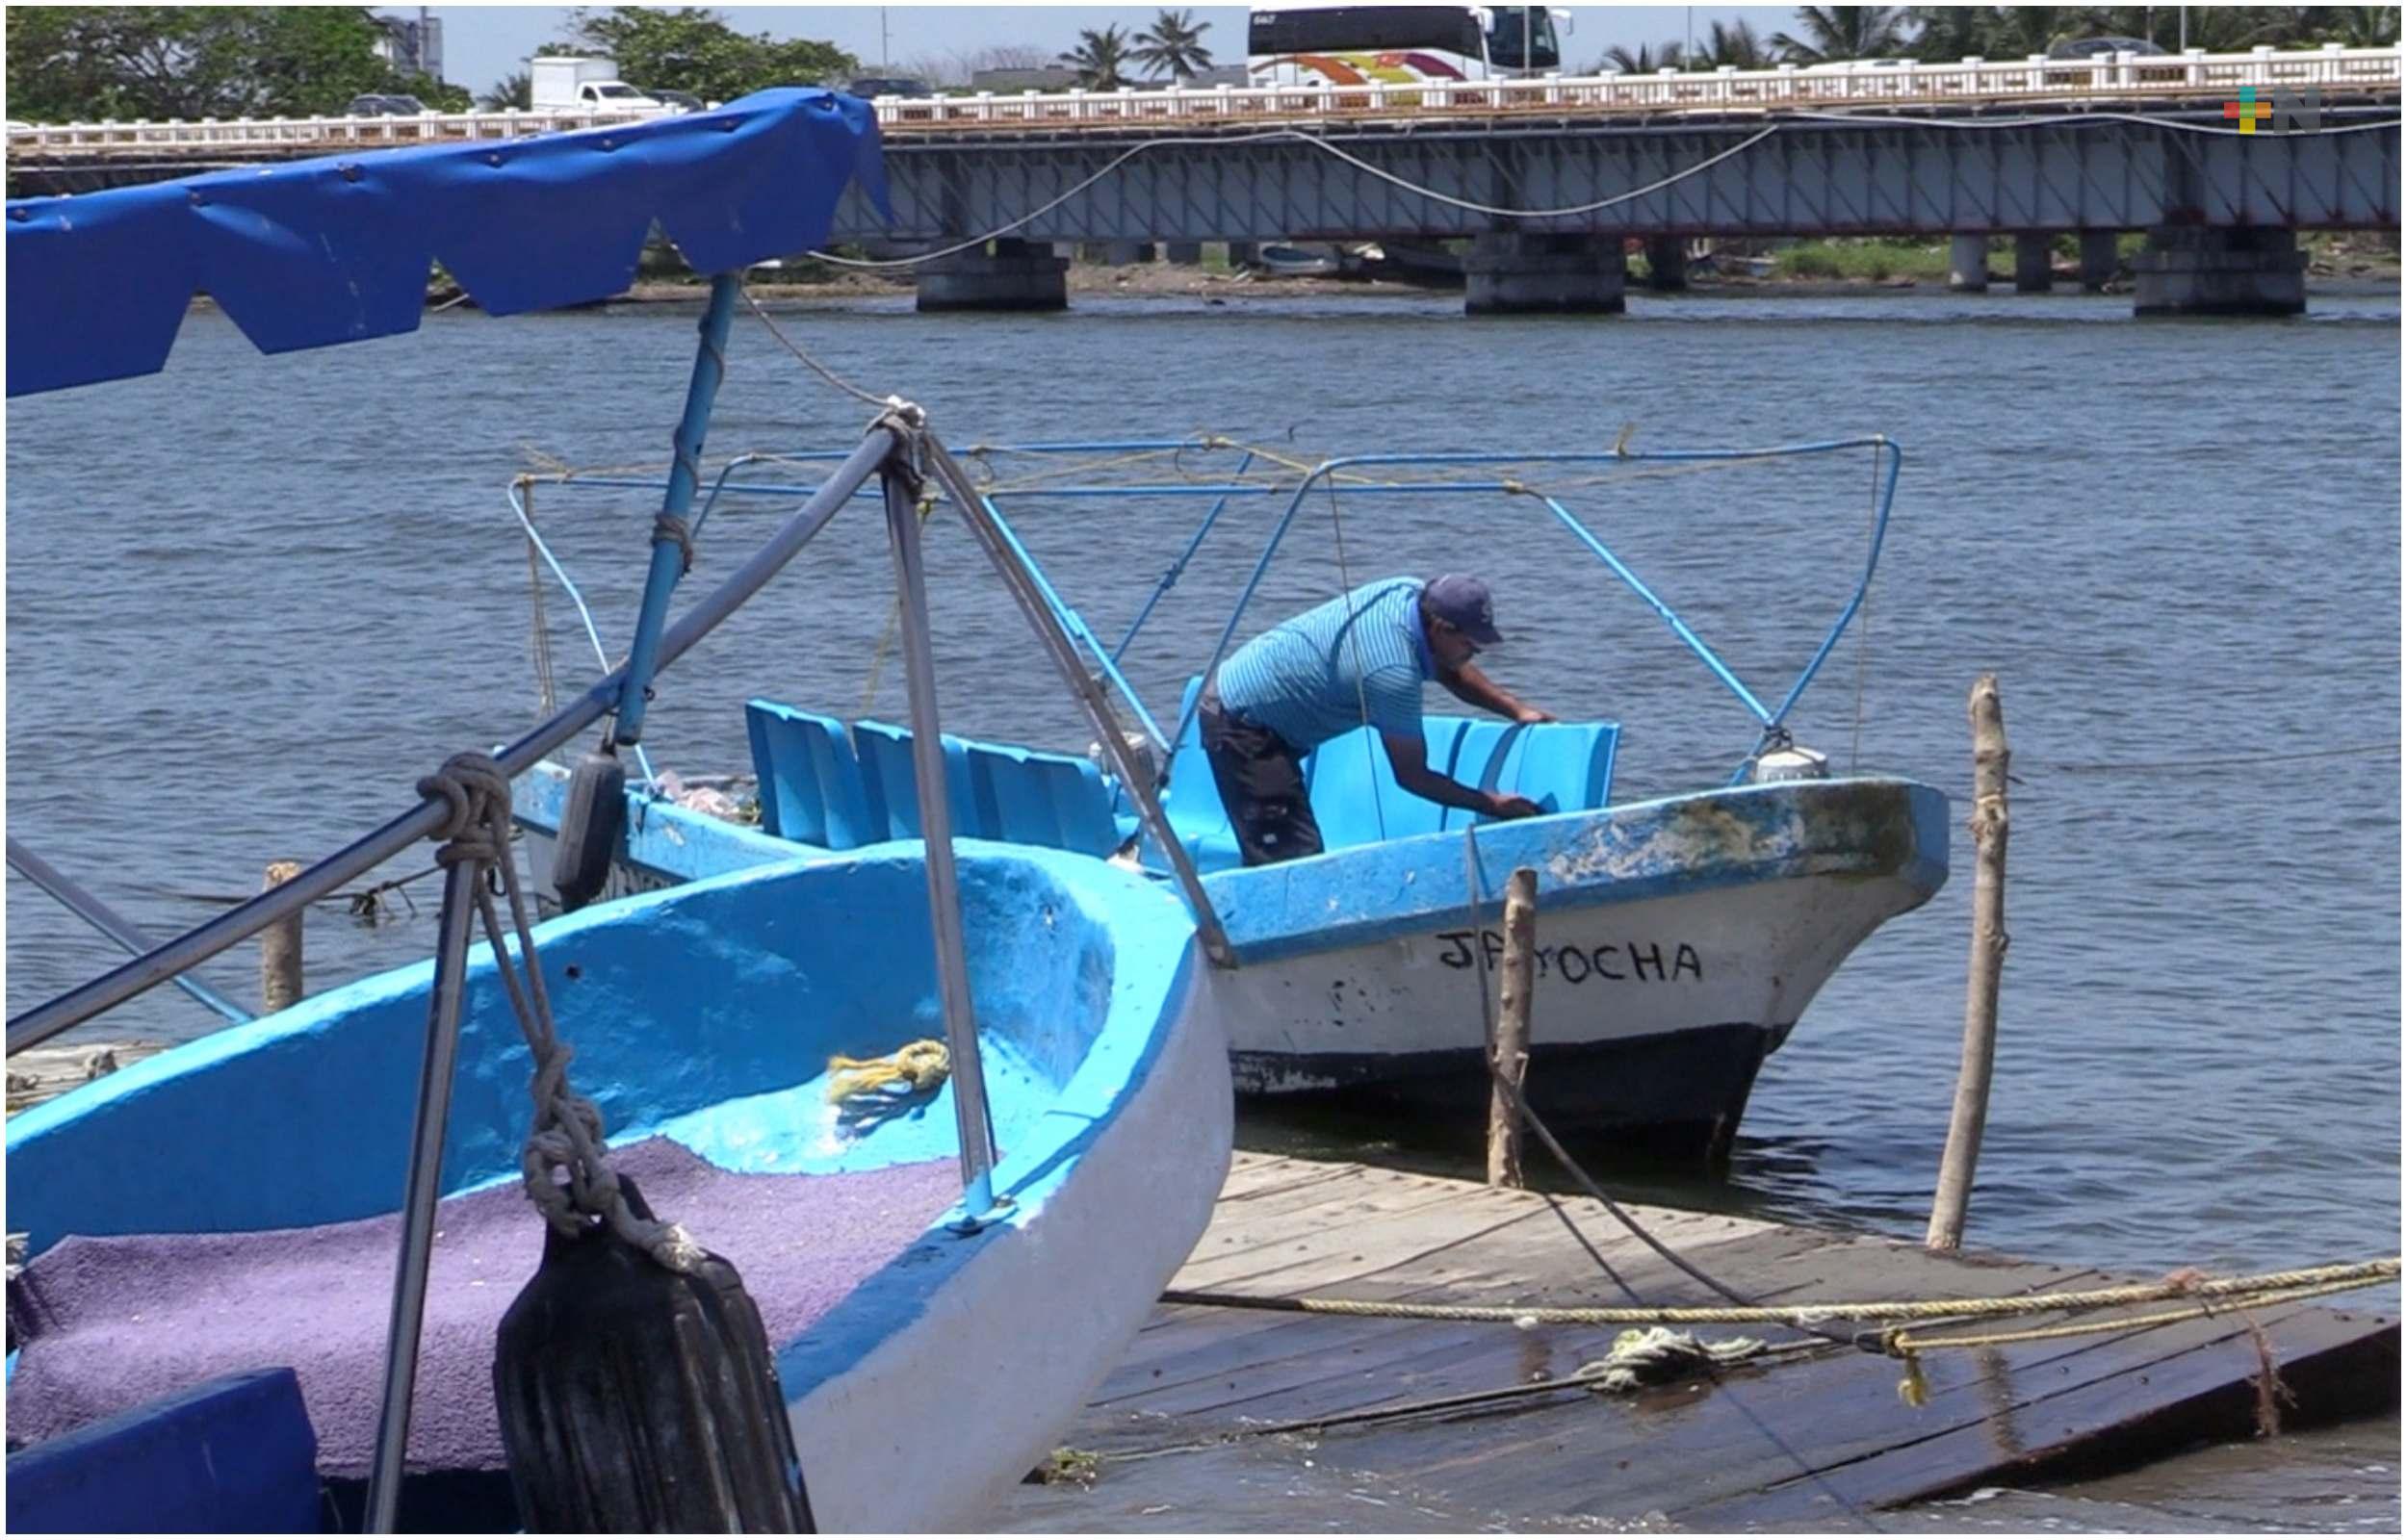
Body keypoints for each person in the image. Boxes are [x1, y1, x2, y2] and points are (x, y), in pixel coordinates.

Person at [1198, 573, 1555, 867]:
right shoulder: (1391, 672)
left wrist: (1517, 710)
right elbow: (1412, 776)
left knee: (1285, 846)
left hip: (1263, 697)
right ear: (1440, 628)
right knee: (1290, 860)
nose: (1472, 655)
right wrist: (1491, 804)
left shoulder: (1407, 591)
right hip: (1241, 722)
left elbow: (1450, 668)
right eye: (1471, 646)